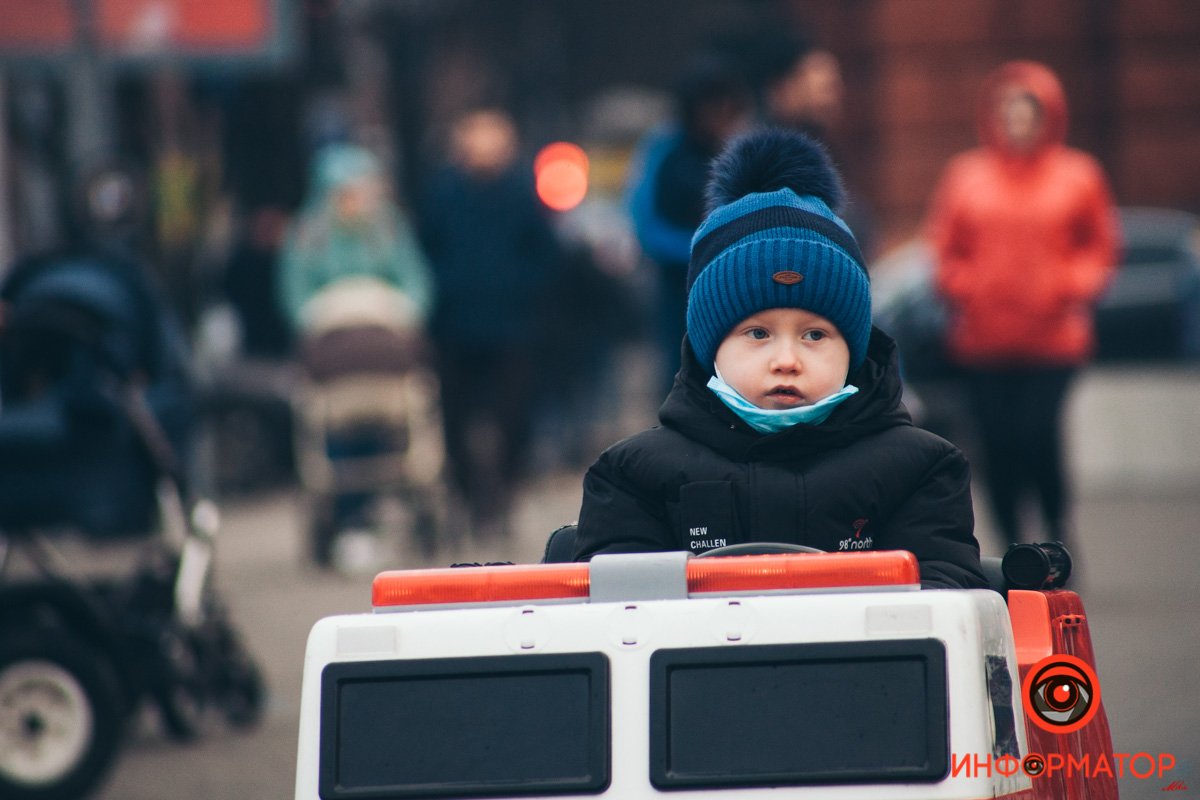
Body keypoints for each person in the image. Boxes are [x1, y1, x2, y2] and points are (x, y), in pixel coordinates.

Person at [573, 128, 986, 590]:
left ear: (855, 347)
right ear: (712, 347)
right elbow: (621, 618)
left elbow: (945, 605)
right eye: (757, 333)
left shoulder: (919, 469)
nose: (786, 359)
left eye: (815, 335)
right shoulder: (636, 475)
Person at [924, 61, 1119, 549]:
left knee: (1037, 438)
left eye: (1027, 114)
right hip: (982, 341)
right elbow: (944, 248)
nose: (1017, 125)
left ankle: (1056, 531)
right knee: (995, 446)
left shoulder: (1078, 174)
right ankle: (1012, 543)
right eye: (1008, 114)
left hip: (1053, 340)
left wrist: (1069, 284)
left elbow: (1101, 247)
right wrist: (968, 286)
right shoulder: (966, 175)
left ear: (1047, 116)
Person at [278, 142, 435, 558]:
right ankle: (348, 515)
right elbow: (294, 294)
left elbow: (415, 282)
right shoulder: (308, 236)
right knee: (335, 433)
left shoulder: (387, 230)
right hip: (335, 363)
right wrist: (326, 315)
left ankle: (387, 506)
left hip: (386, 359)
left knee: (394, 428)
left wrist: (394, 310)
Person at [417, 108, 562, 538]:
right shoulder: (443, 193)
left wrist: (522, 290)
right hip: (454, 327)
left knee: (514, 419)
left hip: (510, 327)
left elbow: (545, 254)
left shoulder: (521, 193)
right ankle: (465, 499)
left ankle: (503, 498)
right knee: (455, 420)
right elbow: (426, 249)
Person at [626, 54, 753, 390]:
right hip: (677, 286)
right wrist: (704, 248)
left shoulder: (739, 149)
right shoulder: (663, 150)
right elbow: (646, 224)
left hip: (732, 284)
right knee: (679, 371)